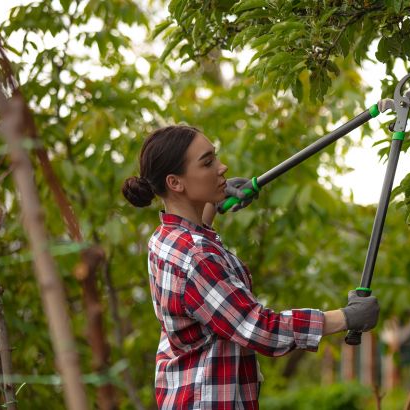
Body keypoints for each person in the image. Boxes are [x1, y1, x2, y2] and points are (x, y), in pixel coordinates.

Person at [121, 125, 380, 409]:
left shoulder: (165, 239)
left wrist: (215, 203)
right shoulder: (197, 257)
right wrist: (346, 317)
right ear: (175, 183)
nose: (222, 167)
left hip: (183, 394)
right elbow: (259, 329)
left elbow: (197, 242)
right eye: (207, 163)